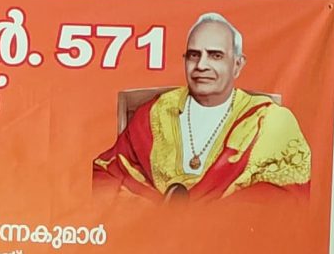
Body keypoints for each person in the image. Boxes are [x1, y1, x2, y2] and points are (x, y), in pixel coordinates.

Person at [93, 11, 312, 198]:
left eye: (215, 56)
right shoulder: (155, 113)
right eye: (193, 55)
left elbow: (282, 197)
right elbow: (109, 174)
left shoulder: (267, 121)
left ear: (237, 64)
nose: (201, 65)